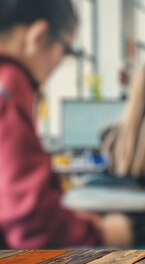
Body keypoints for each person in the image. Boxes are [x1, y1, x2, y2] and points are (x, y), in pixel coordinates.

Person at [0, 0, 131, 248]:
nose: (60, 64)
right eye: (66, 50)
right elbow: (34, 225)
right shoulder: (9, 82)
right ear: (37, 37)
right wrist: (104, 234)